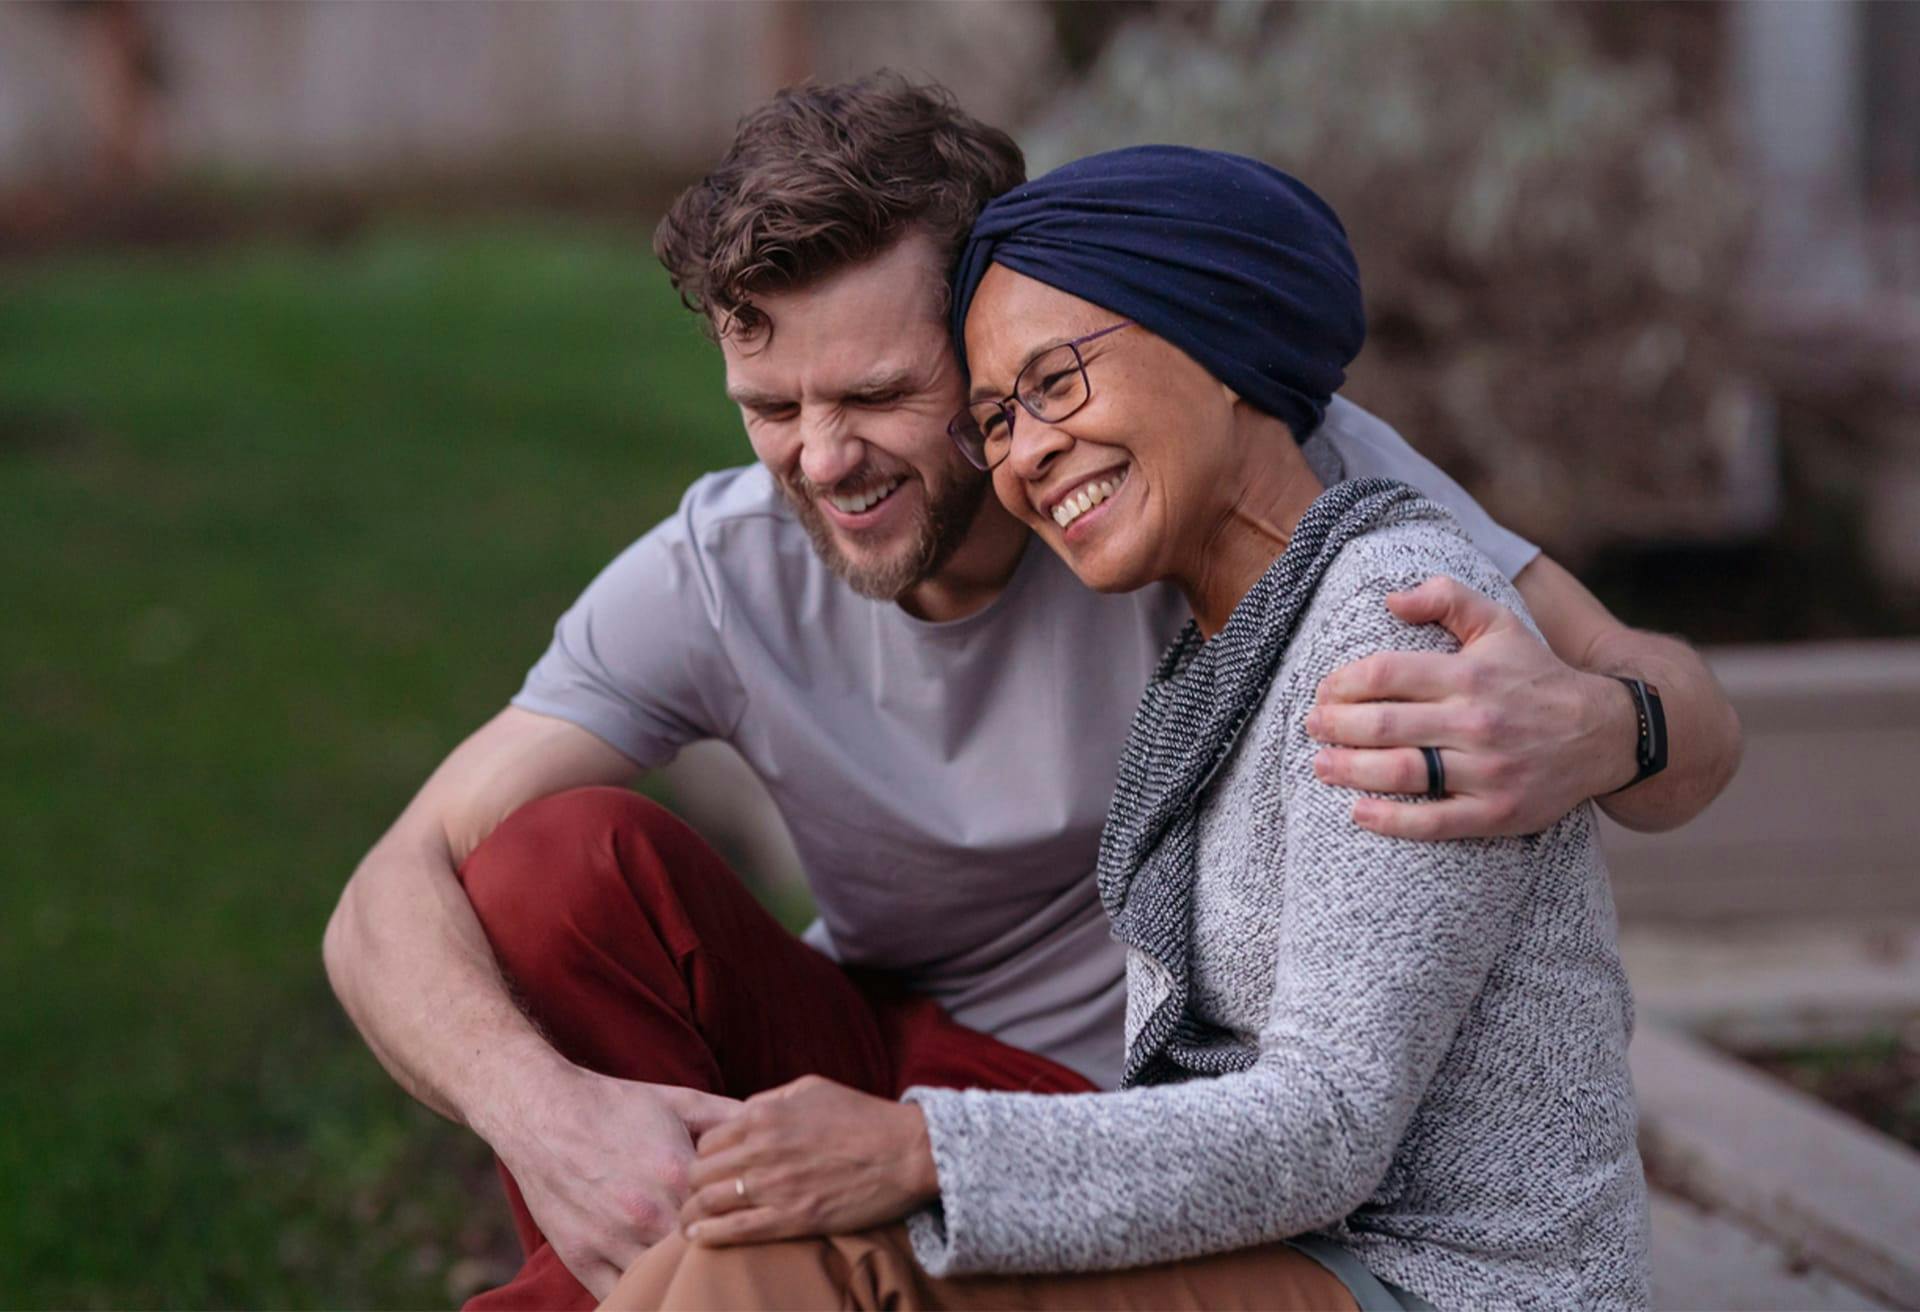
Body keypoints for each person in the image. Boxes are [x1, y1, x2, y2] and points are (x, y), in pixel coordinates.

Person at [321, 76, 1727, 1310]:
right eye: (770, 407)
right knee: (554, 868)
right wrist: (550, 1120)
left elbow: (1671, 715)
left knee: (770, 1266)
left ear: (989, 326)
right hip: (893, 1058)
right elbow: (389, 891)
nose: (820, 460)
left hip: (1153, 1124)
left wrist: (1606, 724)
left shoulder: (1264, 477)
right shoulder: (720, 569)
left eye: (878, 394)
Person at [605, 145, 1648, 1312]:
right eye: (996, 416)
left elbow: (1331, 1124)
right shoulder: (1223, 652)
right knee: (725, 1246)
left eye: (1056, 383)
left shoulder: (1388, 625)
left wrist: (919, 1152)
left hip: (1441, 1283)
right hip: (1292, 1243)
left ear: (1218, 344)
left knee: (805, 1264)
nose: (1027, 453)